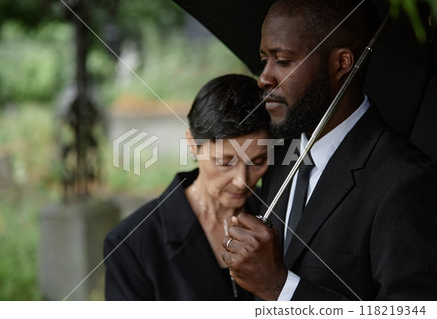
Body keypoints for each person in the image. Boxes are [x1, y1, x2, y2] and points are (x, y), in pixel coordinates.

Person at [222, 0, 437, 300]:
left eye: (282, 60)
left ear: (341, 64)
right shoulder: (281, 155)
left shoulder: (404, 182)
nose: (264, 78)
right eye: (264, 60)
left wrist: (280, 287)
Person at [104, 74, 271, 300]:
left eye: (258, 161)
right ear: (192, 143)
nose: (242, 180)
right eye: (224, 162)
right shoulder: (132, 244)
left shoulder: (279, 215)